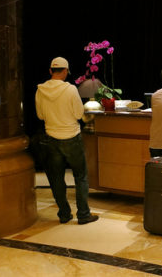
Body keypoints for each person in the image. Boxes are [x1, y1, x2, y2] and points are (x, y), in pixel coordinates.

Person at [35, 57, 98, 225]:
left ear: (50, 71)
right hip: (72, 138)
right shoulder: (70, 90)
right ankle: (83, 214)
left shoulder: (40, 90)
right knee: (81, 176)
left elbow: (40, 116)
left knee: (56, 179)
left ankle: (64, 213)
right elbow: (79, 114)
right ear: (65, 71)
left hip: (51, 139)